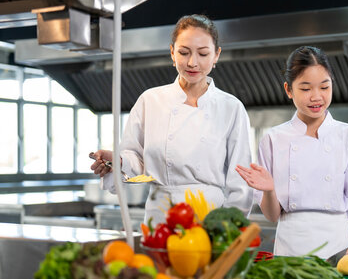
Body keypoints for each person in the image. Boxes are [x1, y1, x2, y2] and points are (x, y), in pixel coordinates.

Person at [91, 14, 253, 224]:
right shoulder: (151, 100)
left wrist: (231, 228)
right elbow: (137, 159)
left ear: (216, 56)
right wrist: (118, 161)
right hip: (161, 216)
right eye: (184, 53)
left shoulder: (231, 108)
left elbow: (240, 180)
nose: (193, 62)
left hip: (210, 218)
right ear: (172, 53)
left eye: (203, 54)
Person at [236, 46, 348, 259]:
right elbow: (272, 216)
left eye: (324, 87)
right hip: (291, 246)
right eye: (306, 89)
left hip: (338, 244)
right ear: (289, 90)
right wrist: (270, 190)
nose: (317, 97)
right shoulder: (273, 139)